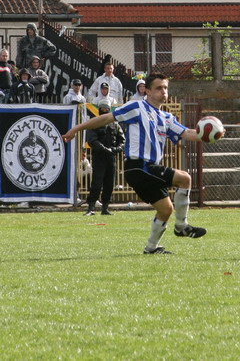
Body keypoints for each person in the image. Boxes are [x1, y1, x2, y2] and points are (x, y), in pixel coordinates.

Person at [63, 73, 213, 254]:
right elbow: (106, 118)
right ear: (147, 91)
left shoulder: (166, 117)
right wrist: (75, 129)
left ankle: (151, 248)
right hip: (138, 166)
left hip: (147, 170)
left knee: (166, 210)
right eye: (158, 88)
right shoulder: (137, 107)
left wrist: (207, 133)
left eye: (165, 88)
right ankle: (181, 226)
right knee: (185, 178)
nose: (163, 92)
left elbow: (187, 133)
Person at [84, 99, 125, 216]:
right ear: (99, 109)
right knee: (96, 182)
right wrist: (103, 149)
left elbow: (122, 140)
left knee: (109, 183)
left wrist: (115, 149)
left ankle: (105, 207)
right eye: (102, 108)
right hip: (99, 157)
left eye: (107, 108)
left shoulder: (115, 124)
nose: (104, 110)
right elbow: (91, 140)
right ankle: (91, 207)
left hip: (111, 157)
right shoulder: (94, 122)